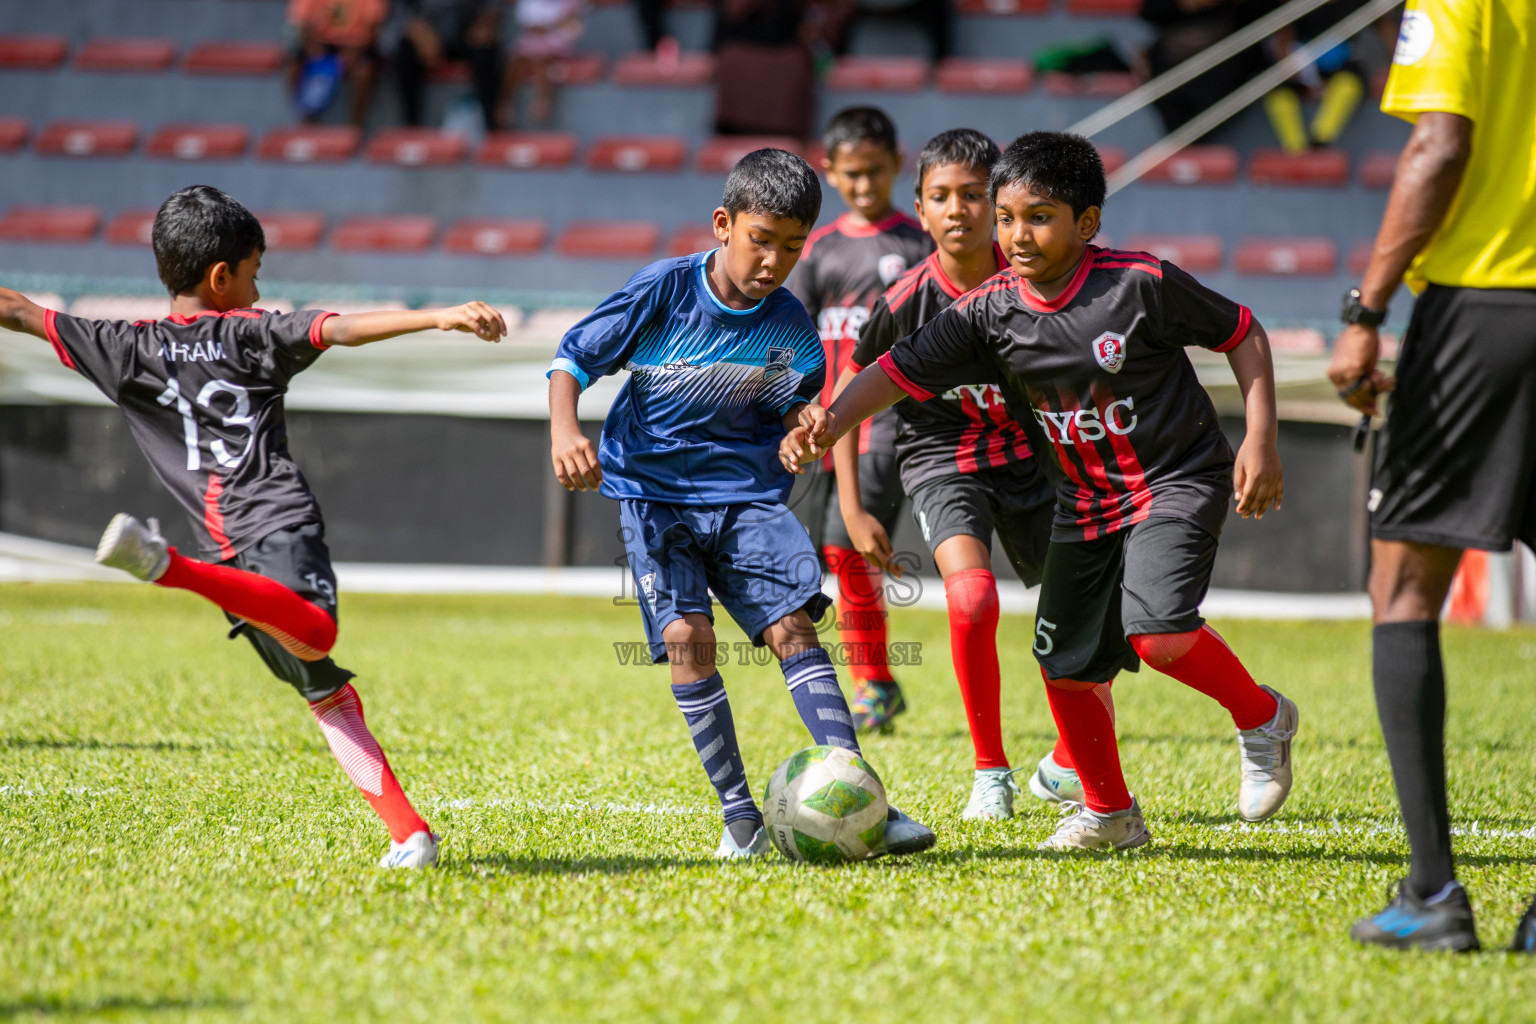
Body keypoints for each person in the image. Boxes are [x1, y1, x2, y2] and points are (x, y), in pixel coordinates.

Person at [786, 132, 1301, 850]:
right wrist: (828, 420)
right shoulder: (988, 309)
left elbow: (1242, 331)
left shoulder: (1139, 282)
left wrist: (1260, 437)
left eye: (1038, 217)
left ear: (1086, 223)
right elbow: (892, 370)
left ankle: (1261, 716)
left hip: (1172, 479)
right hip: (1082, 501)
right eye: (1007, 217)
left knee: (1154, 634)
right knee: (1064, 662)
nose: (1015, 234)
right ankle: (1110, 814)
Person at [0, 185, 508, 869]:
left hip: (231, 560)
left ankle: (409, 836)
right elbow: (341, 328)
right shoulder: (253, 333)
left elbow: (23, 311)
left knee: (326, 692)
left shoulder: (122, 348)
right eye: (253, 271)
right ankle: (165, 568)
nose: (258, 285)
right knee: (317, 629)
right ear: (221, 278)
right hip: (278, 523)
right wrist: (440, 317)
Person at [545, 149, 935, 859]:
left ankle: (869, 804)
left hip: (746, 499)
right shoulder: (664, 290)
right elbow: (574, 358)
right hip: (655, 496)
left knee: (794, 627)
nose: (774, 261)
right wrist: (567, 430)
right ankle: (742, 822)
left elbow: (786, 407)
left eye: (792, 246)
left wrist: (800, 433)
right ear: (723, 225)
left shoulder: (789, 326)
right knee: (685, 640)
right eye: (762, 239)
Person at [1327, 0, 1536, 953]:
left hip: (1489, 305)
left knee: (1404, 580)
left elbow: (1439, 147)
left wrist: (1365, 306)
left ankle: (1434, 895)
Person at [840, 128, 1085, 820]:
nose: (958, 210)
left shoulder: (1043, 287)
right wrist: (855, 508)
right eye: (941, 197)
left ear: (1000, 202)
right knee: (972, 599)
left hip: (1040, 464)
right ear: (918, 210)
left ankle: (1070, 763)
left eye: (974, 194)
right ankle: (990, 773)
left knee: (1091, 620)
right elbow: (850, 397)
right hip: (944, 459)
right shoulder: (903, 302)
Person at [789, 107, 933, 733]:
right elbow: (790, 335)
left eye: (876, 171)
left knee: (847, 550)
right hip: (835, 425)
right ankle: (877, 681)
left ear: (897, 163)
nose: (866, 184)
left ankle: (874, 682)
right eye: (852, 174)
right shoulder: (817, 250)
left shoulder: (921, 242)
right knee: (843, 554)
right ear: (830, 172)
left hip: (901, 423)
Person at [396, 0, 506, 132]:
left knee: (487, 48)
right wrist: (417, 28)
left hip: (469, 30)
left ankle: (492, 127)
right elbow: (402, 8)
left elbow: (494, 5)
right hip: (429, 30)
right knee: (405, 51)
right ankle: (412, 127)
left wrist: (486, 21)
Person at [285, 0, 387, 129]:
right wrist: (313, 47)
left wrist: (355, 52)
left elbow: (374, 26)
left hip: (358, 45)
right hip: (321, 43)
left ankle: (355, 128)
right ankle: (309, 121)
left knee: (364, 71)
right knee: (293, 65)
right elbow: (299, 21)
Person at [505, 0, 584, 127]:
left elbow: (572, 27)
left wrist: (549, 28)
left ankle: (542, 101)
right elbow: (529, 26)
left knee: (543, 61)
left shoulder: (568, 3)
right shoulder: (528, 3)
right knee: (516, 62)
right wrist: (553, 24)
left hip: (557, 45)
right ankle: (506, 103)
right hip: (532, 44)